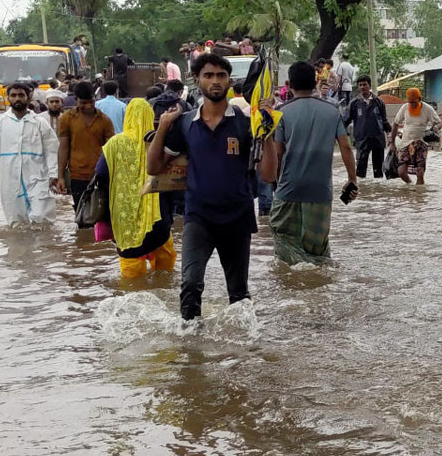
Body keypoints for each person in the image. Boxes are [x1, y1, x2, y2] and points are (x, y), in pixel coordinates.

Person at [147, 53, 278, 321]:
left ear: (230, 81)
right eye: (208, 75)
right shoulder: (185, 123)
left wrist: (267, 129)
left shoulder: (245, 123)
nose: (215, 81)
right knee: (190, 285)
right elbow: (153, 168)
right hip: (199, 218)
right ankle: (191, 354)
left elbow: (269, 174)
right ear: (197, 81)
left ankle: (245, 355)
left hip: (237, 217)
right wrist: (163, 127)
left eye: (221, 75)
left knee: (239, 294)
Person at [270, 62, 358, 265]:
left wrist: (276, 184)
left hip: (288, 189)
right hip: (320, 192)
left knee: (284, 249)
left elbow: (278, 153)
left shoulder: (281, 112)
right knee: (317, 251)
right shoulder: (332, 110)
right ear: (315, 82)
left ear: (289, 84)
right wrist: (352, 179)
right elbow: (345, 147)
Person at [95, 99, 176, 278]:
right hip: (158, 216)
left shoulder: (114, 144)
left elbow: (100, 174)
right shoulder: (159, 142)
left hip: (125, 218)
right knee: (165, 270)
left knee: (132, 274)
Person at [0, 82, 60, 226]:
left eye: (21, 95)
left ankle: (44, 248)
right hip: (10, 180)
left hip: (38, 178)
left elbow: (52, 149)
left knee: (43, 220)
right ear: (8, 98)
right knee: (16, 224)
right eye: (13, 95)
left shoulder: (39, 123)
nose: (17, 98)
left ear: (28, 97)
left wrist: (53, 174)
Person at [57, 81, 115, 219]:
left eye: (91, 102)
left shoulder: (105, 121)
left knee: (102, 214)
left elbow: (111, 149)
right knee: (81, 214)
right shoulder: (67, 119)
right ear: (76, 100)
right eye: (83, 103)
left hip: (100, 175)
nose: (88, 106)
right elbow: (64, 148)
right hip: (77, 175)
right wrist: (60, 177)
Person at [389, 88, 441, 185]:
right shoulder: (405, 108)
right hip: (405, 143)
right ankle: (411, 186)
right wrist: (392, 143)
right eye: (410, 102)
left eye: (414, 102)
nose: (412, 104)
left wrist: (435, 128)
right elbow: (395, 124)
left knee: (420, 172)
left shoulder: (427, 109)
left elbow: (439, 123)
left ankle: (419, 194)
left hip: (421, 144)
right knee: (401, 172)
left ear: (419, 99)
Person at [344, 75, 390, 179]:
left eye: (364, 84)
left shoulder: (379, 102)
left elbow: (384, 121)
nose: (362, 87)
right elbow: (345, 121)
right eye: (360, 85)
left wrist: (391, 135)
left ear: (369, 85)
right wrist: (338, 135)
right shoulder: (354, 103)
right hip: (361, 139)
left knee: (378, 171)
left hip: (378, 139)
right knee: (360, 170)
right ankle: (362, 192)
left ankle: (377, 192)